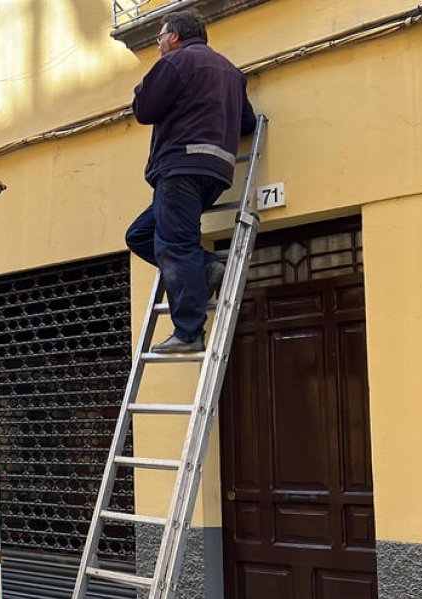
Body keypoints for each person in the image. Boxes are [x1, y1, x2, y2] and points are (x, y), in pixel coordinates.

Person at [125, 9, 256, 354]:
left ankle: (188, 333)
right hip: (215, 176)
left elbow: (145, 111)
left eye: (159, 38)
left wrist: (143, 87)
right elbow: (247, 124)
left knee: (174, 245)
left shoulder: (175, 63)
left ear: (174, 37)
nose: (157, 46)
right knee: (139, 235)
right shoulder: (230, 71)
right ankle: (208, 265)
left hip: (179, 168)